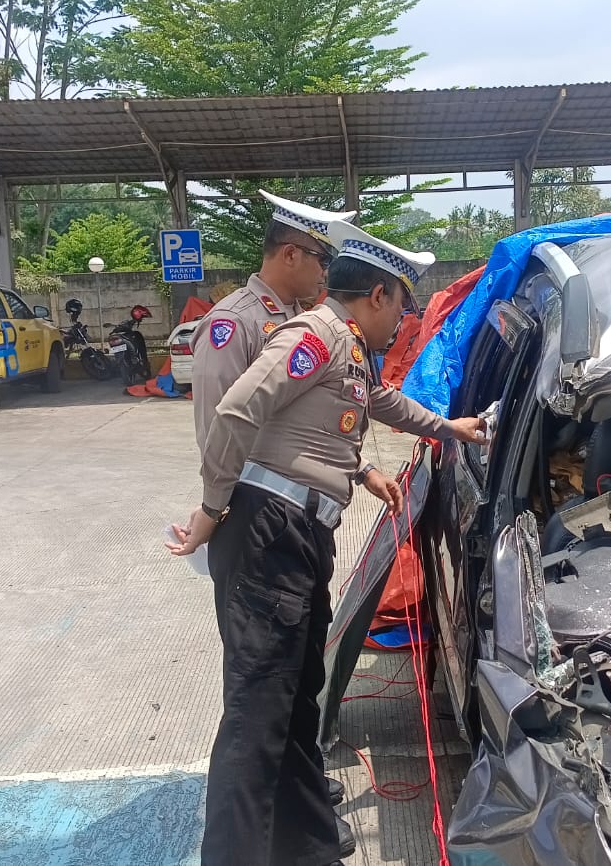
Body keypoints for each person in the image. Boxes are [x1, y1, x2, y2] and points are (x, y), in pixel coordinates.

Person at [168, 226, 486, 866]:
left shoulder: (349, 346)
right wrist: (212, 509)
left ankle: (305, 847)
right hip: (268, 532)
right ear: (377, 296)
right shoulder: (316, 335)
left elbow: (383, 403)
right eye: (402, 305)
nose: (404, 320)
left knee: (294, 696)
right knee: (258, 715)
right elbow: (235, 412)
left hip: (300, 532)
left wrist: (449, 428)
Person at [192, 191, 352, 449]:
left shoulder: (304, 318)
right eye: (324, 260)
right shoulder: (234, 322)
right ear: (290, 255)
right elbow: (216, 429)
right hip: (255, 473)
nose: (326, 272)